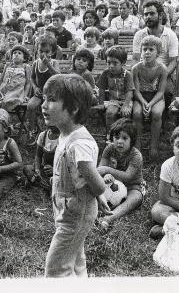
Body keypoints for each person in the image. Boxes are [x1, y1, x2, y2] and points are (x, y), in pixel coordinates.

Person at [42, 74, 112, 277]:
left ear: (73, 109)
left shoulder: (79, 144)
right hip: (66, 209)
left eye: (52, 100)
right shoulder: (65, 134)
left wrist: (99, 193)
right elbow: (81, 178)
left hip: (76, 214)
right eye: (44, 98)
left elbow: (98, 185)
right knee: (75, 260)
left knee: (57, 267)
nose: (44, 105)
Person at [97, 118, 144, 231]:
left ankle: (108, 219)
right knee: (95, 189)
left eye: (124, 138)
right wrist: (105, 176)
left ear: (131, 140)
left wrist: (107, 170)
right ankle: (94, 211)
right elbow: (100, 170)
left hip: (132, 186)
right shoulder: (109, 149)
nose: (119, 141)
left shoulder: (136, 156)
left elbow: (128, 176)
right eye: (116, 137)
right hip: (111, 184)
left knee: (136, 198)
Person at [131, 36, 168, 159]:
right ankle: (137, 144)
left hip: (156, 97)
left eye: (151, 49)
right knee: (136, 113)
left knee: (157, 113)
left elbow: (161, 91)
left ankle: (154, 145)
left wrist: (150, 104)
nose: (147, 52)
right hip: (140, 97)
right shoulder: (136, 68)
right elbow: (135, 90)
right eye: (144, 49)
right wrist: (143, 103)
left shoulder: (162, 69)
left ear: (158, 52)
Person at [132, 0, 179, 97]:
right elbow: (136, 59)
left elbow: (173, 61)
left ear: (160, 15)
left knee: (166, 92)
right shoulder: (139, 35)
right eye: (146, 14)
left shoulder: (170, 35)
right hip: (142, 73)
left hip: (163, 73)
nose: (148, 17)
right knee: (132, 90)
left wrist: (162, 76)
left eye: (152, 13)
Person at [25, 35, 60, 140]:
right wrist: (35, 87)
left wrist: (48, 65)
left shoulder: (54, 62)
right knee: (30, 106)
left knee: (51, 108)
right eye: (41, 51)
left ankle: (53, 129)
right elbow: (32, 78)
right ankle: (33, 129)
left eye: (47, 51)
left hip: (52, 94)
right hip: (40, 93)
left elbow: (58, 76)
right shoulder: (35, 63)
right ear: (37, 51)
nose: (43, 54)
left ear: (52, 52)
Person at [97, 46, 134, 139]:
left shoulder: (127, 75)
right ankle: (110, 135)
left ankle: (125, 136)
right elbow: (101, 89)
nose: (111, 66)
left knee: (126, 114)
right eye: (109, 62)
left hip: (126, 100)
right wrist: (101, 103)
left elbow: (130, 91)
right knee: (110, 113)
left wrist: (126, 105)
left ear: (123, 63)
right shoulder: (106, 73)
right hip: (113, 101)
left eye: (115, 63)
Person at [0, 45, 31, 114]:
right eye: (14, 53)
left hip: (16, 91)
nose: (16, 54)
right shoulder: (8, 65)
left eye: (19, 53)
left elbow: (28, 83)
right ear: (11, 56)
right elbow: (1, 79)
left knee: (7, 101)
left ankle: (3, 117)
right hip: (4, 89)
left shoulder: (26, 66)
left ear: (24, 58)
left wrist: (25, 95)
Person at [23, 125, 60, 192]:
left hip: (58, 171)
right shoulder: (43, 135)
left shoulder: (64, 138)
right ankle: (46, 185)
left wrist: (54, 169)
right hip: (45, 169)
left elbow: (67, 163)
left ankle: (38, 183)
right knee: (27, 168)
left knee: (59, 180)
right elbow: (38, 156)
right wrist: (37, 169)